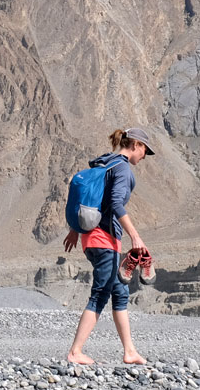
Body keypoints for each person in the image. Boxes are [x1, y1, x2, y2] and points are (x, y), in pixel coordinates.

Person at [62, 126, 154, 365]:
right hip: (104, 239)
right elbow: (114, 203)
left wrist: (76, 229)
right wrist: (135, 236)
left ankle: (130, 351)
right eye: (145, 150)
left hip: (92, 238)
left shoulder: (106, 163)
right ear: (136, 145)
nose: (145, 156)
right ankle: (75, 352)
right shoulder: (122, 168)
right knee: (101, 293)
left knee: (120, 291)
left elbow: (93, 199)